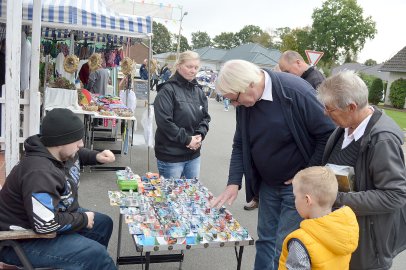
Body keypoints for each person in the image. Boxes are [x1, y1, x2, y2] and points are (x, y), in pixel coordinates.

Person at [211, 59, 335, 270]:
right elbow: (240, 143)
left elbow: (328, 134)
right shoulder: (245, 101)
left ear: (249, 84)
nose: (234, 105)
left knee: (284, 245)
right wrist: (233, 182)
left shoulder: (294, 91)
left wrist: (304, 175)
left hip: (296, 188)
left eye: (235, 100)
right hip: (267, 184)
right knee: (266, 240)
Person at [0, 108, 117, 269]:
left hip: (54, 216)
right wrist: (82, 219)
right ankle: (92, 262)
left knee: (103, 223)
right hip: (22, 240)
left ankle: (87, 264)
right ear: (61, 142)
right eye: (77, 140)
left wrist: (95, 156)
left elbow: (77, 153)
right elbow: (45, 225)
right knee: (96, 255)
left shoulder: (57, 150)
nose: (81, 144)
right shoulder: (39, 173)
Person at [317, 70, 406, 270]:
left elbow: (395, 196)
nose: (325, 113)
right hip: (344, 234)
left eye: (329, 109)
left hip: (367, 246)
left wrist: (334, 198)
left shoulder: (382, 140)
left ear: (351, 107)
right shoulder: (344, 127)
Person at [279, 166, 359, 270]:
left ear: (307, 200)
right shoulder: (345, 227)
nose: (294, 201)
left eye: (295, 197)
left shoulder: (300, 242)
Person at [154, 51, 211, 179]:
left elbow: (205, 118)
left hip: (193, 155)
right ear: (179, 65)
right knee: (171, 196)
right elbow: (164, 122)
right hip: (171, 156)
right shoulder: (167, 90)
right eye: (189, 66)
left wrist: (200, 135)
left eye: (196, 67)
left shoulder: (198, 91)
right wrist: (187, 139)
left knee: (192, 194)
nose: (193, 71)